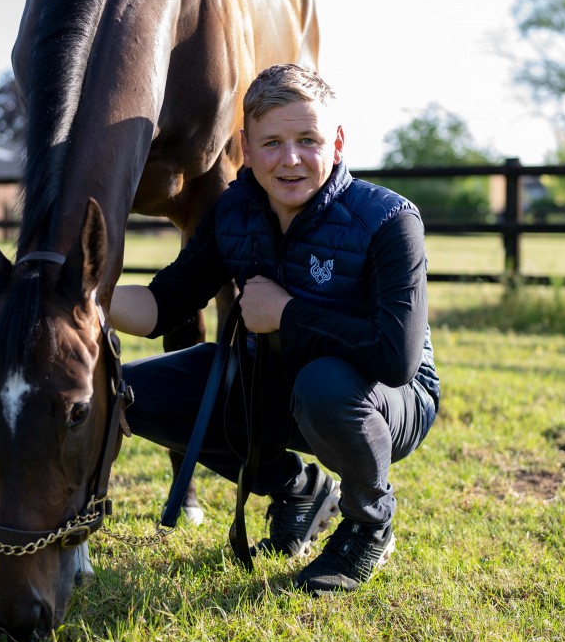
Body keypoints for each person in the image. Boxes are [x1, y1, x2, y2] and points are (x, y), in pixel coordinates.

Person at [110, 64, 440, 595]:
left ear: (336, 142)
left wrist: (286, 313)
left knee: (325, 385)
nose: (290, 159)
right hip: (274, 380)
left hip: (386, 396)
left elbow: (396, 359)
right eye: (272, 143)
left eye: (307, 140)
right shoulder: (232, 212)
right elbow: (161, 304)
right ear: (244, 146)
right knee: (128, 395)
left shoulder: (389, 219)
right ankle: (298, 489)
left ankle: (368, 524)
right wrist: (87, 298)